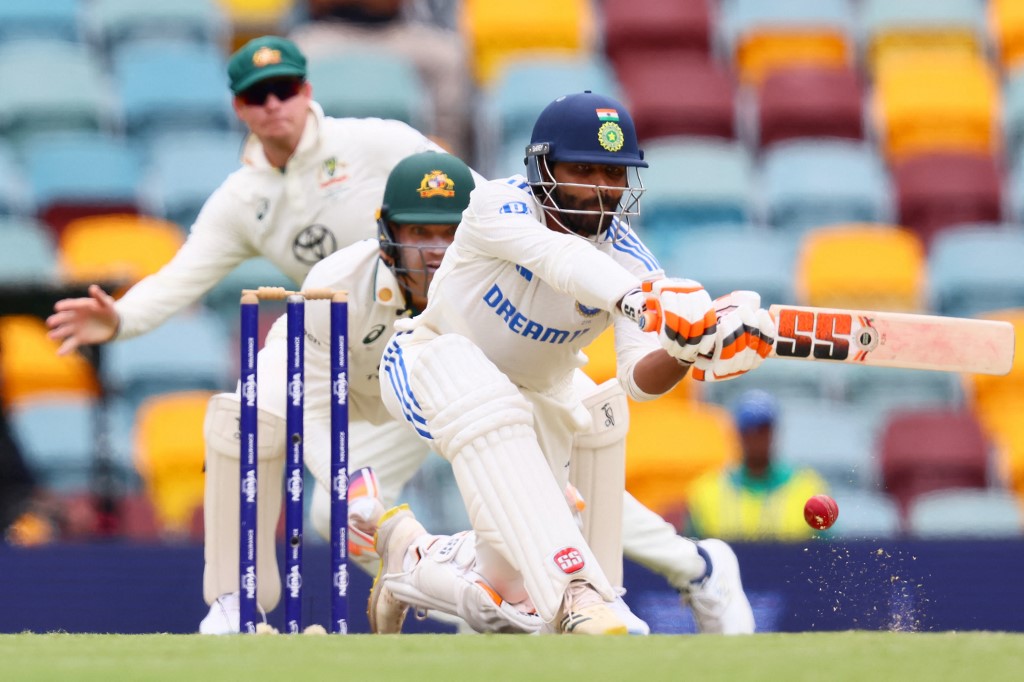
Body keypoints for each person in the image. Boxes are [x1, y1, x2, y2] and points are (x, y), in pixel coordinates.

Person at [41, 34, 446, 619]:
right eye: (258, 96)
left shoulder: (375, 142)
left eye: (284, 90)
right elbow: (182, 276)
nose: (273, 105)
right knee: (246, 426)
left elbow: (468, 199)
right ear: (239, 107)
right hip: (337, 349)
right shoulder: (243, 197)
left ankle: (558, 593)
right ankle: (235, 602)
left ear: (306, 92)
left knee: (538, 430)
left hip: (424, 342)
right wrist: (122, 317)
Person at [373, 91, 777, 635]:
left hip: (538, 404)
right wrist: (642, 300)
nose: (600, 187)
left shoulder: (633, 261)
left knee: (514, 602)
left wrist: (686, 349)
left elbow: (639, 380)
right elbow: (560, 260)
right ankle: (582, 592)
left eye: (614, 173)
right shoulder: (497, 206)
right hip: (432, 366)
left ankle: (412, 557)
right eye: (582, 169)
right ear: (543, 168)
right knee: (534, 566)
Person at [289, 0, 471, 157]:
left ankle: (444, 172)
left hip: (396, 32)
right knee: (287, 56)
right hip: (330, 31)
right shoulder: (303, 49)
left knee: (448, 55)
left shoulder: (439, 56)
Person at [686, 389, 830, 541]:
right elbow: (693, 550)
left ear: (774, 432)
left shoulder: (808, 487)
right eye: (748, 430)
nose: (755, 438)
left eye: (762, 429)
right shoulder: (706, 490)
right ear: (736, 434)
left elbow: (827, 549)